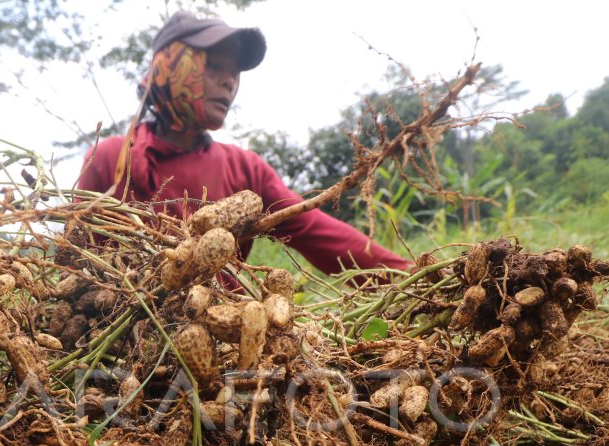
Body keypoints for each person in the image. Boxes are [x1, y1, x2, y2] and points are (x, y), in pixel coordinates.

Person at [77, 10, 412, 278]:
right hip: (128, 341)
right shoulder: (109, 159)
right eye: (214, 66)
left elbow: (319, 233)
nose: (229, 81)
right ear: (169, 67)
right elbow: (74, 255)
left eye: (235, 71)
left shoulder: (246, 170)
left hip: (223, 345)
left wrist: (412, 276)